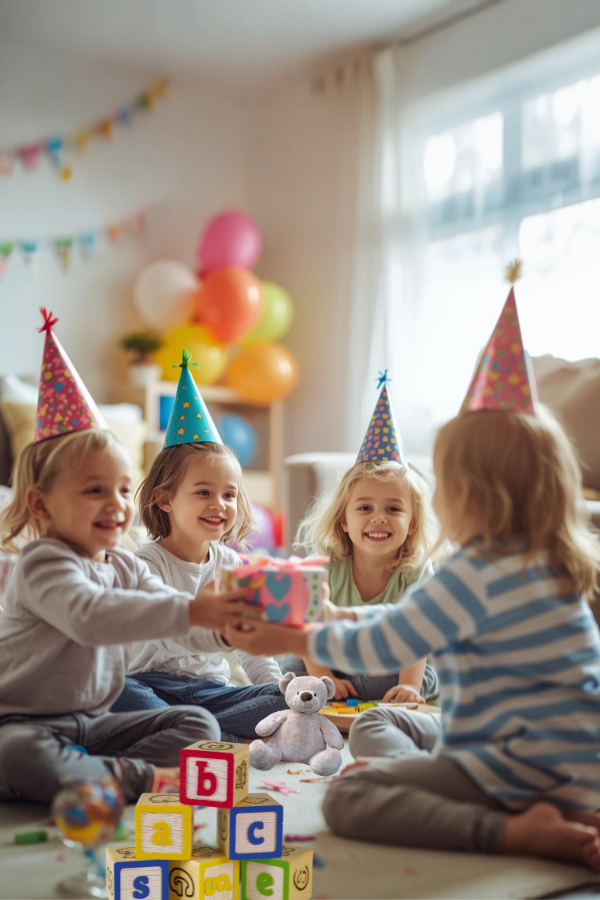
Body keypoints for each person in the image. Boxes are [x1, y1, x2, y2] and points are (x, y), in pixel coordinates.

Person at [223, 292, 600, 871]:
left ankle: (512, 833)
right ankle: (558, 805)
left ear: (473, 494)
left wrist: (292, 636)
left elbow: (384, 643)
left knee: (352, 796)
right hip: (580, 765)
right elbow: (392, 624)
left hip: (511, 771)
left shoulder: (472, 574)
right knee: (381, 722)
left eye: (442, 482)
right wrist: (328, 621)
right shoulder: (554, 566)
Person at [0, 312, 247, 803]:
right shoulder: (43, 563)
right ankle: (132, 778)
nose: (115, 503)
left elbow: (170, 621)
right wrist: (196, 608)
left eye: (119, 488)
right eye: (94, 490)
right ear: (41, 504)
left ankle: (93, 773)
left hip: (96, 723)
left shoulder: (128, 562)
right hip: (26, 725)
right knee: (14, 756)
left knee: (198, 722)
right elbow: (91, 616)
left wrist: (226, 629)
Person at [111, 349, 288, 741]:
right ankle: (207, 737)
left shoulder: (232, 566)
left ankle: (197, 735)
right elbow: (155, 632)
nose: (219, 505)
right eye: (204, 492)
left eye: (228, 494)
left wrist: (279, 689)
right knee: (116, 691)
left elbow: (251, 645)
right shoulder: (146, 563)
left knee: (284, 700)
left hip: (212, 693)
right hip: (152, 687)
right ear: (165, 499)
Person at [282, 376, 438, 703]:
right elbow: (306, 628)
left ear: (412, 524)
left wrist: (409, 685)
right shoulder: (325, 562)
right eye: (365, 508)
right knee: (293, 664)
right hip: (331, 656)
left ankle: (351, 692)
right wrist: (324, 675)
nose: (378, 517)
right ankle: (327, 688)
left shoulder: (416, 570)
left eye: (393, 508)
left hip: (396, 660)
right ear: (343, 521)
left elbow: (417, 635)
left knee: (428, 677)